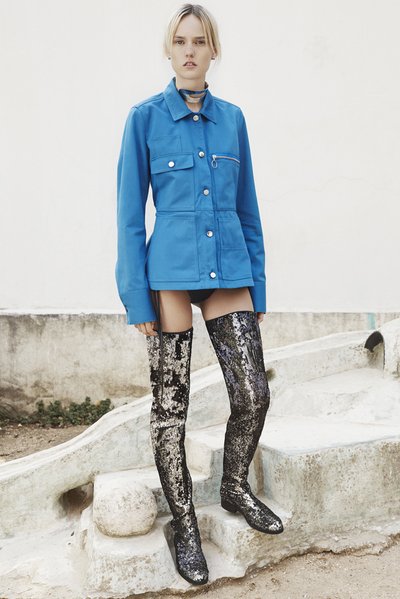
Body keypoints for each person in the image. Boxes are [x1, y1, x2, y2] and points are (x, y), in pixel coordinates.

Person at [115, 3, 284, 587]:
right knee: (171, 409)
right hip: (169, 274)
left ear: (214, 51)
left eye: (200, 41)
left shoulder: (233, 119)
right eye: (181, 41)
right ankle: (183, 522)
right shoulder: (144, 118)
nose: (190, 51)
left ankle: (234, 486)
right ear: (169, 50)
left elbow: (248, 207)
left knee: (254, 393)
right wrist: (136, 297)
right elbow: (129, 217)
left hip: (229, 266)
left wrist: (258, 283)